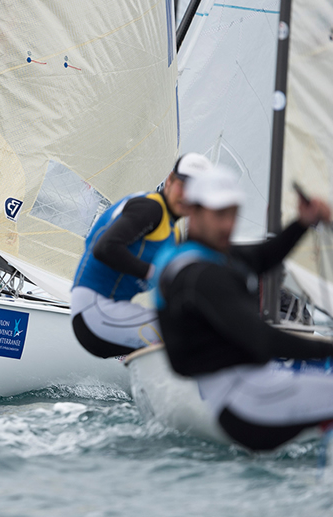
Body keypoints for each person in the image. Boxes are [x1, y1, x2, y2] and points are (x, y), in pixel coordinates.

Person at [154, 165, 333, 451]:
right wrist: (328, 349)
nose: (228, 225)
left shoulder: (203, 256)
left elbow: (263, 256)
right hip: (246, 403)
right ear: (192, 211)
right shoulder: (200, 275)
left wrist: (302, 223)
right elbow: (263, 339)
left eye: (233, 213)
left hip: (249, 393)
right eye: (219, 214)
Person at [70, 153, 212, 358]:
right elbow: (105, 248)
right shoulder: (151, 208)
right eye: (183, 186)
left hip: (111, 313)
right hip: (94, 311)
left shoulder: (175, 232)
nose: (187, 196)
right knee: (192, 333)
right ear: (170, 181)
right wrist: (154, 272)